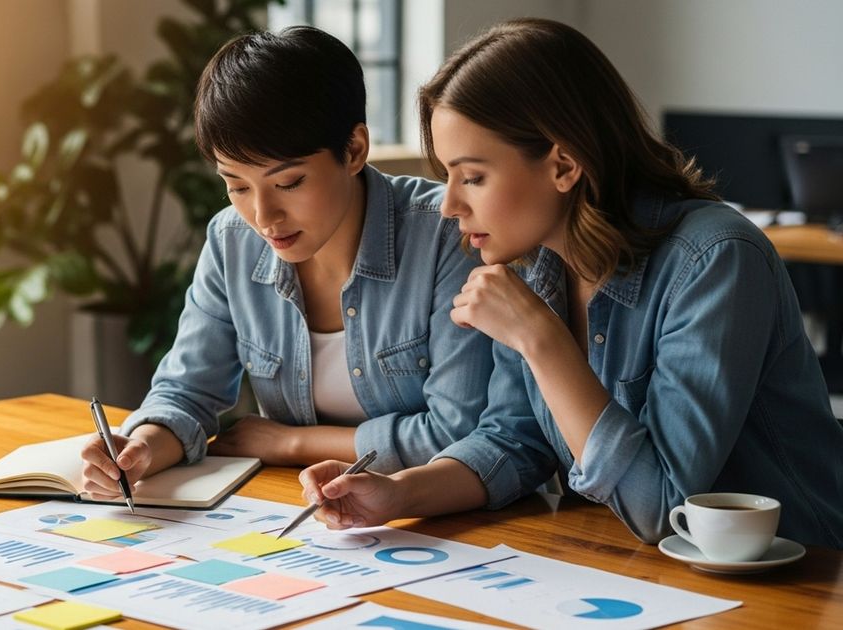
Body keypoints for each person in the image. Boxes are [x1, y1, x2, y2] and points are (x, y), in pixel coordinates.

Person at [299, 18, 843, 548]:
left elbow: (665, 507)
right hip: (632, 571)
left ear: (563, 165)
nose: (449, 206)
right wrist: (397, 494)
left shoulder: (715, 259)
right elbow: (513, 442)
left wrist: (541, 339)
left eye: (473, 177)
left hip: (800, 580)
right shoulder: (533, 265)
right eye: (447, 177)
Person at [79, 26, 494, 500]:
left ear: (354, 149)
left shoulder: (447, 233)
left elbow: (460, 434)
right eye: (236, 186)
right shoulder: (231, 239)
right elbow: (186, 393)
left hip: (442, 518)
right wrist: (140, 452)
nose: (263, 216)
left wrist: (291, 442)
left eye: (289, 183)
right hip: (305, 509)